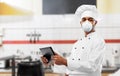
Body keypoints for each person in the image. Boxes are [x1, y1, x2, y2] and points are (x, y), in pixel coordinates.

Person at [41, 4, 105, 76]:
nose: (86, 22)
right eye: (84, 19)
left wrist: (65, 61)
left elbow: (91, 66)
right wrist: (53, 61)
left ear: (95, 22)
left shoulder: (98, 40)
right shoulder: (77, 43)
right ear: (81, 23)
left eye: (90, 19)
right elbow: (71, 66)